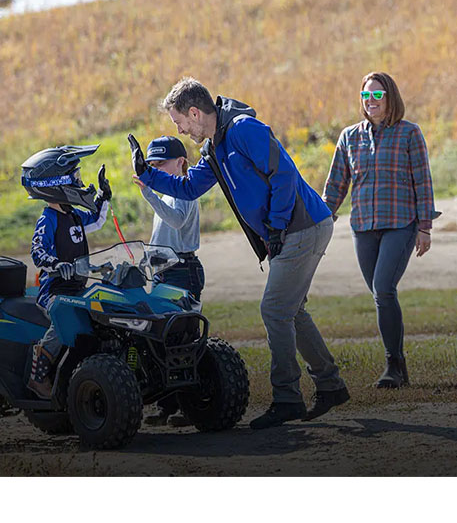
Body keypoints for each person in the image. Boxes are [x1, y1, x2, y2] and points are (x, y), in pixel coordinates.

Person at [128, 77, 349, 430]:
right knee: (291, 310)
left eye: (179, 122)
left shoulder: (244, 130)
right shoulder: (215, 148)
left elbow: (284, 174)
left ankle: (288, 398)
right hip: (293, 231)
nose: (180, 129)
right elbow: (188, 187)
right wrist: (147, 176)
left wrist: (276, 226)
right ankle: (330, 385)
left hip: (302, 227)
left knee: (275, 309)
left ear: (195, 112)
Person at [323, 72, 437, 389]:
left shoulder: (409, 134)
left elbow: (423, 182)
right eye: (366, 96)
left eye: (377, 96)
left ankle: (393, 366)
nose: (371, 102)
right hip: (363, 226)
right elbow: (335, 185)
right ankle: (398, 364)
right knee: (379, 295)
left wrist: (424, 227)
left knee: (384, 287)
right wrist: (321, 219)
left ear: (390, 98)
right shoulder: (349, 137)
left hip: (401, 223)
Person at [21, 145, 112, 399]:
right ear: (56, 184)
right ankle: (37, 377)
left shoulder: (71, 214)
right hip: (55, 290)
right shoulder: (48, 218)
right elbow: (37, 250)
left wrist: (103, 196)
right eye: (75, 178)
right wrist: (56, 264)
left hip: (77, 288)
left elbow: (96, 220)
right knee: (66, 317)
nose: (79, 182)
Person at [132, 135, 203, 427]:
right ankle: (167, 404)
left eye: (161, 164)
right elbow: (161, 238)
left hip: (183, 271)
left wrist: (149, 193)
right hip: (165, 271)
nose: (156, 169)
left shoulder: (186, 191)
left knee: (182, 341)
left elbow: (175, 221)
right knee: (159, 341)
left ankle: (191, 405)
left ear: (181, 162)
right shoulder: (166, 195)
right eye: (152, 165)